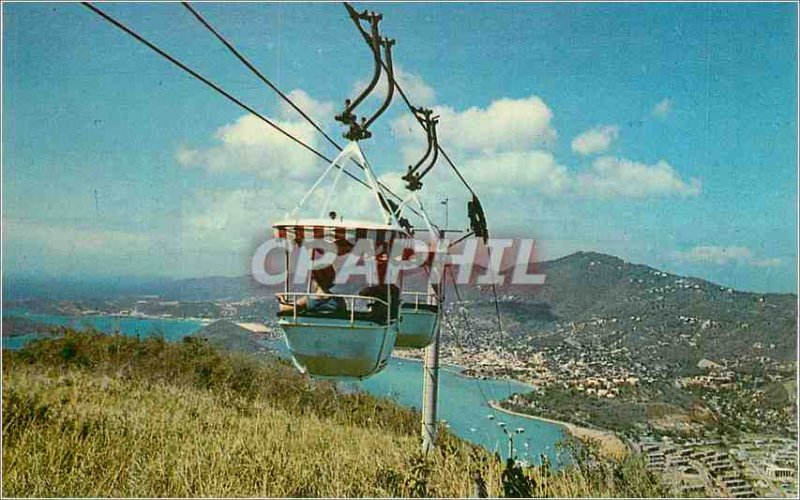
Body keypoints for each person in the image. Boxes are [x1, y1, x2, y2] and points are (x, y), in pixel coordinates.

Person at [278, 265, 345, 315]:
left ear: (315, 280)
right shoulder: (339, 301)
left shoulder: (308, 300)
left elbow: (284, 309)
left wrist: (281, 299)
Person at [358, 253, 400, 322]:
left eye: (379, 268)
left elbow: (363, 293)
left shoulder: (386, 288)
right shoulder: (393, 288)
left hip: (381, 318)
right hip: (384, 315)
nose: (376, 272)